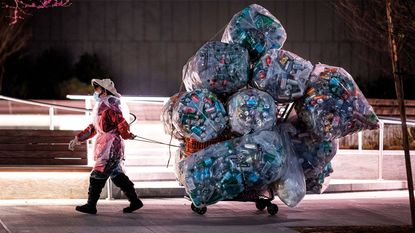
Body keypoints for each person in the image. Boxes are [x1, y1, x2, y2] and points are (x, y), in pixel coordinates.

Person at [68, 78, 143, 214]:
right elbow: (95, 127)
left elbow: (120, 121)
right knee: (116, 174)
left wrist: (126, 134)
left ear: (104, 90)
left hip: (110, 146)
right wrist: (78, 138)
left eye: (97, 88)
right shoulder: (103, 104)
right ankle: (135, 201)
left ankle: (91, 205)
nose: (95, 91)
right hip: (107, 144)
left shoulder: (111, 103)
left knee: (97, 174)